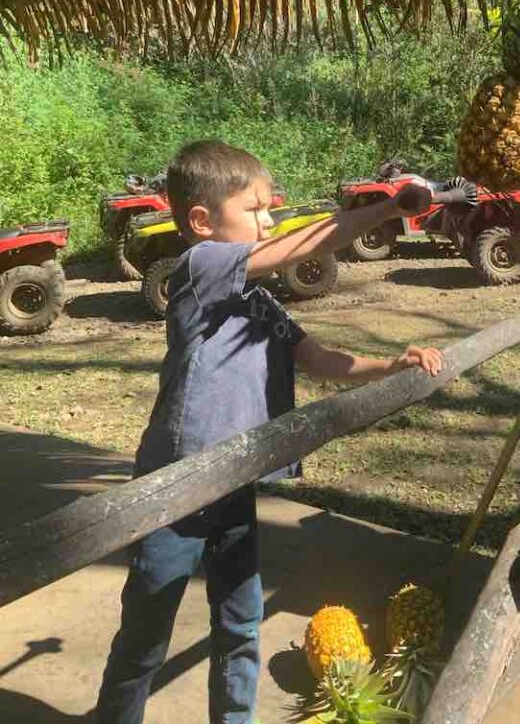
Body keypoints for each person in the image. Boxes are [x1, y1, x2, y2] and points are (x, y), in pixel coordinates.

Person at [95, 139, 443, 724]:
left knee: (240, 622)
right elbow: (290, 249)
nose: (268, 220)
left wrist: (393, 364)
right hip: (173, 487)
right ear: (202, 221)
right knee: (146, 632)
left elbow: (321, 359)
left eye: (269, 209)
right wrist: (385, 211)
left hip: (231, 482)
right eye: (254, 209)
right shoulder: (197, 269)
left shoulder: (260, 304)